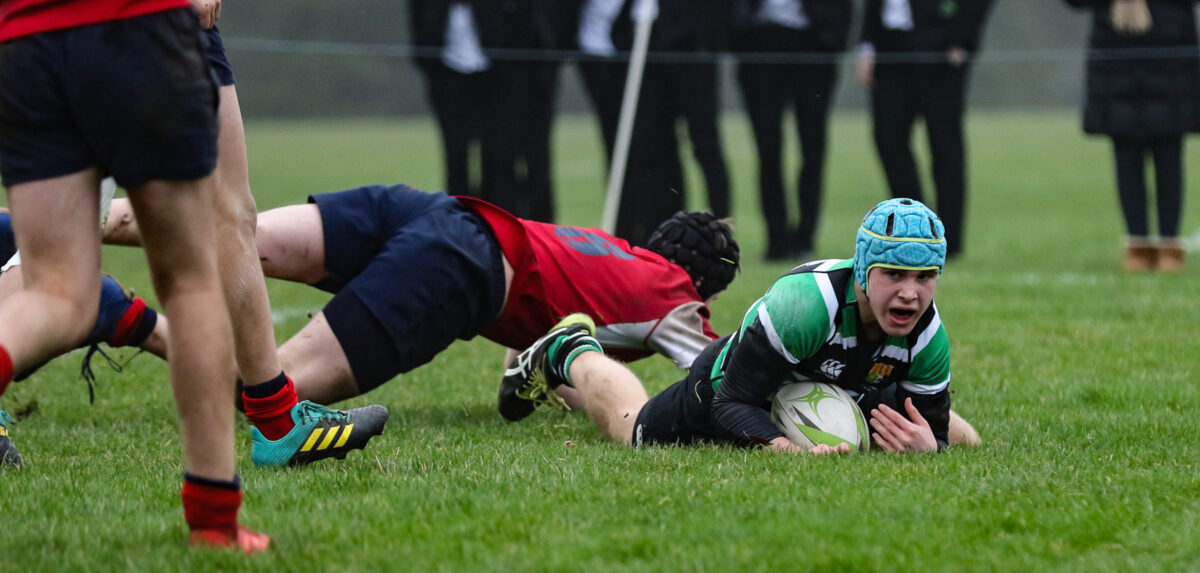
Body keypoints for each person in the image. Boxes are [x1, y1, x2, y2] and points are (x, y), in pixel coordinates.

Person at [102, 184, 742, 421]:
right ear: (704, 288)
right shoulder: (676, 300)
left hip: (434, 209)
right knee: (267, 395)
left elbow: (544, 338)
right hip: (458, 264)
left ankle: (44, 232)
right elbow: (722, 376)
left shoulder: (608, 249)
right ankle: (116, 313)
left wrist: (532, 382)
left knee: (237, 234)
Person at [0, 0, 265, 550]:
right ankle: (215, 521)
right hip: (141, 28)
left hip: (26, 42)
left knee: (54, 292)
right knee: (190, 282)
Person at [501, 198, 980, 452]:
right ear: (862, 271)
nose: (911, 293)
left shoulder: (927, 335)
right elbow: (733, 403)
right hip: (727, 385)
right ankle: (567, 350)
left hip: (832, 380)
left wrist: (925, 445)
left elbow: (934, 430)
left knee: (967, 440)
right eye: (894, 275)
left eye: (925, 277)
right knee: (632, 429)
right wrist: (784, 449)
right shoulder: (806, 305)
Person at [189, 5, 388, 471]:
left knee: (63, 249)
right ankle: (276, 426)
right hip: (148, 23)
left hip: (52, 26)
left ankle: (277, 421)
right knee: (226, 214)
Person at [1062, 0, 1199, 272]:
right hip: (1117, 53)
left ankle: (1170, 245)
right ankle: (1138, 245)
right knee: (1126, 153)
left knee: (1169, 153)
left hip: (1171, 58)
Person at [856, 0, 994, 258]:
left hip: (940, 51)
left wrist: (963, 39)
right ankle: (915, 228)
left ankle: (949, 241)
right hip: (889, 50)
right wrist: (866, 46)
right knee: (888, 139)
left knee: (945, 148)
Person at [733, 0, 853, 261]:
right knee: (767, 150)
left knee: (813, 149)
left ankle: (805, 238)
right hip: (759, 44)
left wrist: (834, 38)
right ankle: (776, 239)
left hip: (813, 43)